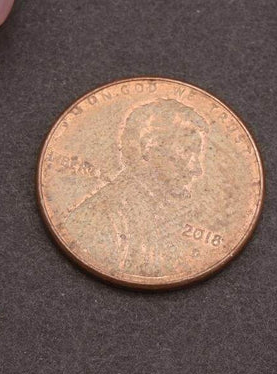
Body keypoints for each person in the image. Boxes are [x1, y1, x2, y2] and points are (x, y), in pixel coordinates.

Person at [62, 98, 209, 278]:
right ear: (148, 147)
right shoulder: (99, 218)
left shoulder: (163, 212)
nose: (196, 169)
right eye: (186, 152)